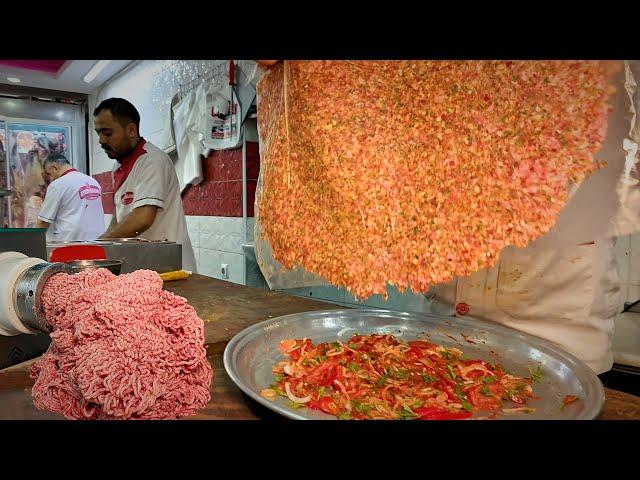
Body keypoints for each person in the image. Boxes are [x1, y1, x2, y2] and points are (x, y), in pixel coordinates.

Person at [94, 97, 197, 272]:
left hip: (171, 267)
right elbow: (118, 221)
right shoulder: (118, 167)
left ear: (131, 130)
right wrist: (101, 244)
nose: (101, 141)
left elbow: (142, 218)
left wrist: (100, 245)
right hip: (146, 267)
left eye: (107, 133)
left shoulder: (152, 160)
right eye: (98, 133)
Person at [36, 153, 105, 241]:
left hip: (70, 244)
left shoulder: (57, 185)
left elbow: (43, 222)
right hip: (97, 242)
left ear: (55, 168)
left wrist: (34, 243)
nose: (50, 178)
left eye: (49, 174)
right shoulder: (93, 181)